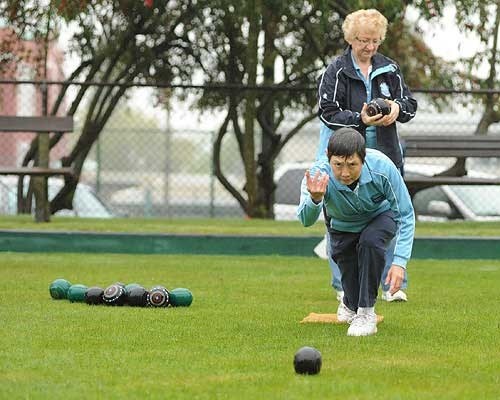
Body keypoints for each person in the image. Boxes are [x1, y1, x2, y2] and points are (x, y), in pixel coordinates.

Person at [316, 9, 418, 302]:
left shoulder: (389, 68)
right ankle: (342, 286)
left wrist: (396, 110)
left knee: (392, 214)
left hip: (385, 155)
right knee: (337, 219)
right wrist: (359, 119)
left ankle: (394, 284)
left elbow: (409, 104)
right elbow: (327, 112)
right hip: (345, 156)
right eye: (363, 40)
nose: (369, 47)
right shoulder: (336, 70)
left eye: (374, 41)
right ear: (351, 38)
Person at [298, 128, 415, 336]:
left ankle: (367, 313)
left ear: (363, 158)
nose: (345, 173)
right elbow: (306, 220)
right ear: (328, 157)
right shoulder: (317, 175)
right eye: (338, 165)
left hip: (380, 217)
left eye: (352, 165)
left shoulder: (383, 167)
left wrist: (399, 262)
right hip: (342, 227)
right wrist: (315, 199)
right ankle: (350, 303)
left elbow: (405, 214)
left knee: (370, 242)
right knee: (350, 292)